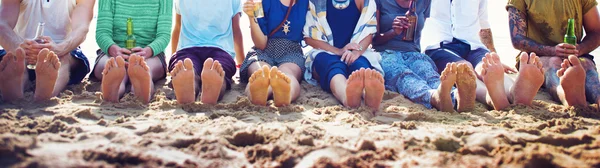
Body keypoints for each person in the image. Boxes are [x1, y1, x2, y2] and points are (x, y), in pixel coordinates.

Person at [420, 0, 545, 110]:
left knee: (487, 66)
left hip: (474, 46)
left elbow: (484, 25)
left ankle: (513, 92)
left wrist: (494, 57)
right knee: (465, 68)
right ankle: (490, 97)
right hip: (438, 47)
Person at [373, 0, 477, 112]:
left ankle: (457, 97)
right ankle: (433, 97)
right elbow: (373, 40)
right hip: (386, 53)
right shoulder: (380, 1)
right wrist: (393, 32)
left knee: (429, 74)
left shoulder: (423, 2)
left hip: (413, 53)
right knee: (404, 76)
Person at [507, 0, 600, 107]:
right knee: (553, 62)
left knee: (585, 64)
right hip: (536, 57)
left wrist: (580, 49)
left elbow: (596, 31)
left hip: (576, 54)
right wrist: (552, 50)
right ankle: (566, 96)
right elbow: (517, 39)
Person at [0, 0, 94, 102]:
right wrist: (20, 48)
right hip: (22, 46)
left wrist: (60, 49)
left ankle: (47, 92)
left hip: (63, 48)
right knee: (16, 60)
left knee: (62, 60)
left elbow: (82, 28)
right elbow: (2, 24)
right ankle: (17, 87)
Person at [303, 0, 385, 110]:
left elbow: (368, 33)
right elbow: (309, 38)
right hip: (327, 51)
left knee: (360, 65)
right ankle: (346, 97)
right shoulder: (316, 2)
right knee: (332, 66)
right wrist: (338, 51)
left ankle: (369, 95)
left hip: (356, 51)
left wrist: (356, 52)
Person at [92, 0, 172, 104]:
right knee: (113, 66)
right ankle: (114, 90)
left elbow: (163, 35)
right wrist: (113, 49)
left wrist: (149, 50)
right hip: (112, 52)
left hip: (151, 55)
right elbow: (102, 33)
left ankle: (141, 90)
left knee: (146, 69)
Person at [169, 0, 244, 105]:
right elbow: (236, 30)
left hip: (187, 49)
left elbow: (177, 27)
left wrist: (173, 55)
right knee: (219, 70)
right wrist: (241, 62)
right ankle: (213, 87)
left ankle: (191, 83)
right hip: (221, 50)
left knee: (186, 68)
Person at [240, 0, 309, 107]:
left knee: (288, 73)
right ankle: (258, 94)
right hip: (265, 49)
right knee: (260, 72)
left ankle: (286, 95)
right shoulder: (263, 2)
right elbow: (261, 44)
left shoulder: (307, 3)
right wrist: (251, 17)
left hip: (292, 50)